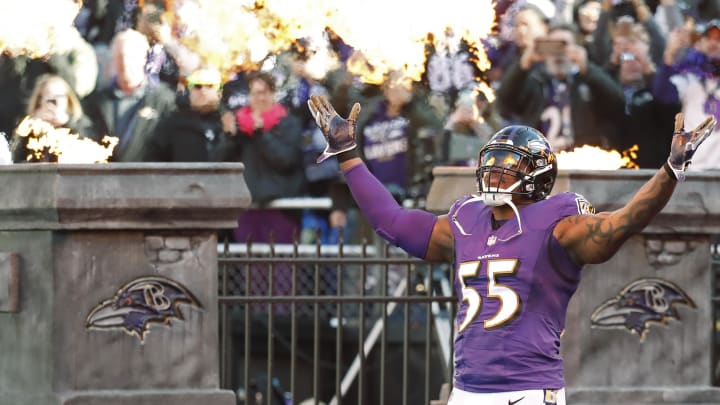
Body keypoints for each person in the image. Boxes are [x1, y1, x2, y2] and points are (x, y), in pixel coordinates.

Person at [307, 94, 715, 404]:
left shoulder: (559, 222)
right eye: (492, 162)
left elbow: (620, 224)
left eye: (508, 165)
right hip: (466, 390)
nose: (494, 172)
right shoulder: (465, 221)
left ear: (536, 176)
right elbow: (391, 223)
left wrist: (670, 171)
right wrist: (348, 156)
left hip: (526, 392)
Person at [10, 74, 95, 163]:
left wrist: (67, 123)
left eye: (58, 98)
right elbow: (17, 158)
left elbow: (88, 152)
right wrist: (34, 127)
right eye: (49, 99)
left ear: (68, 100)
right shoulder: (29, 125)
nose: (52, 105)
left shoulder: (80, 123)